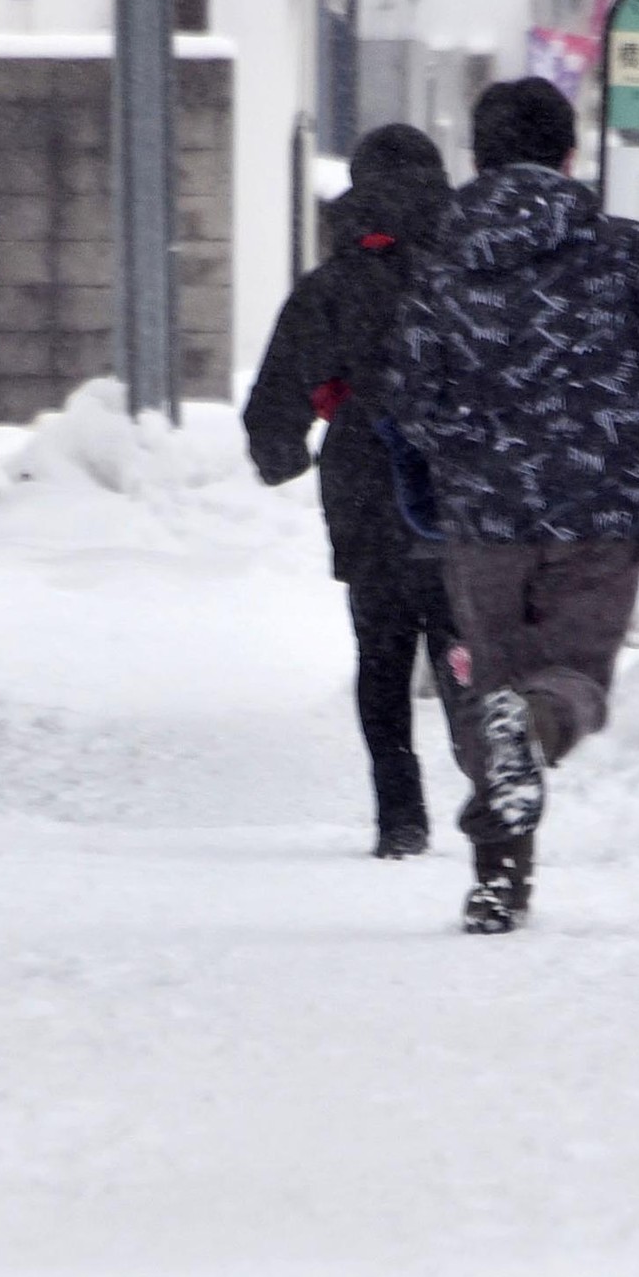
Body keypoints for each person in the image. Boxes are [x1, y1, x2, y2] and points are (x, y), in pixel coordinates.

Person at [390, 77, 639, 934]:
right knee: (567, 681)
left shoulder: (443, 260)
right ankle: (526, 737)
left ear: (479, 157)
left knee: (490, 687)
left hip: (484, 513)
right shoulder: (618, 247)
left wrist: (436, 474)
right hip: (602, 502)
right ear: (570, 155)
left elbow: (409, 383)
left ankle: (498, 883)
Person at [245, 123, 467, 859]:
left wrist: (286, 453)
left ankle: (400, 817)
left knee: (381, 652)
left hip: (367, 490)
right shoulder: (477, 273)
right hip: (465, 495)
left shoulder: (335, 283)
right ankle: (495, 792)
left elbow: (274, 409)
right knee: (465, 647)